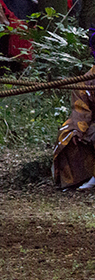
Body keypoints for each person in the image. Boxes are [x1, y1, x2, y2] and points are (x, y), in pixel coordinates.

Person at [52, 51, 95, 190]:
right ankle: (79, 179)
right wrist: (78, 129)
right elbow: (80, 108)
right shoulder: (87, 79)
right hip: (92, 122)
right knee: (67, 133)